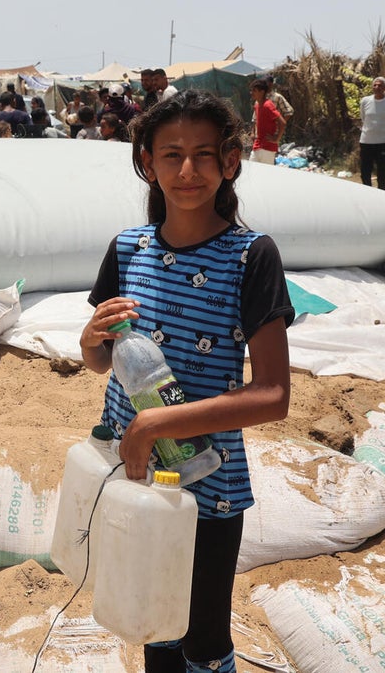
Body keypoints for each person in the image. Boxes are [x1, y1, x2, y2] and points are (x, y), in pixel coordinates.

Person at [81, 89, 292, 673]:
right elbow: (103, 362)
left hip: (208, 485)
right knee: (155, 623)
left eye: (204, 154)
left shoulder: (251, 257)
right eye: (171, 155)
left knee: (201, 637)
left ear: (231, 162)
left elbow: (274, 395)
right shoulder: (128, 250)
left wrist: (156, 422)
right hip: (138, 473)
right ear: (147, 163)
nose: (188, 170)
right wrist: (88, 341)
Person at [357, 77, 385, 190]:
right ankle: (367, 190)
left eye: (380, 85)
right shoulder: (365, 101)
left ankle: (382, 191)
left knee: (382, 170)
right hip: (367, 141)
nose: (377, 87)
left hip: (384, 141)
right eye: (375, 85)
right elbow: (363, 117)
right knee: (365, 169)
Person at [249, 79, 285, 164]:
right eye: (251, 90)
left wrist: (276, 139)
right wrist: (253, 132)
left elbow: (282, 122)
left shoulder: (267, 105)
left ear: (262, 92)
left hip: (267, 148)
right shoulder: (257, 105)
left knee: (266, 175)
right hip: (258, 145)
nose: (251, 93)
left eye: (254, 91)